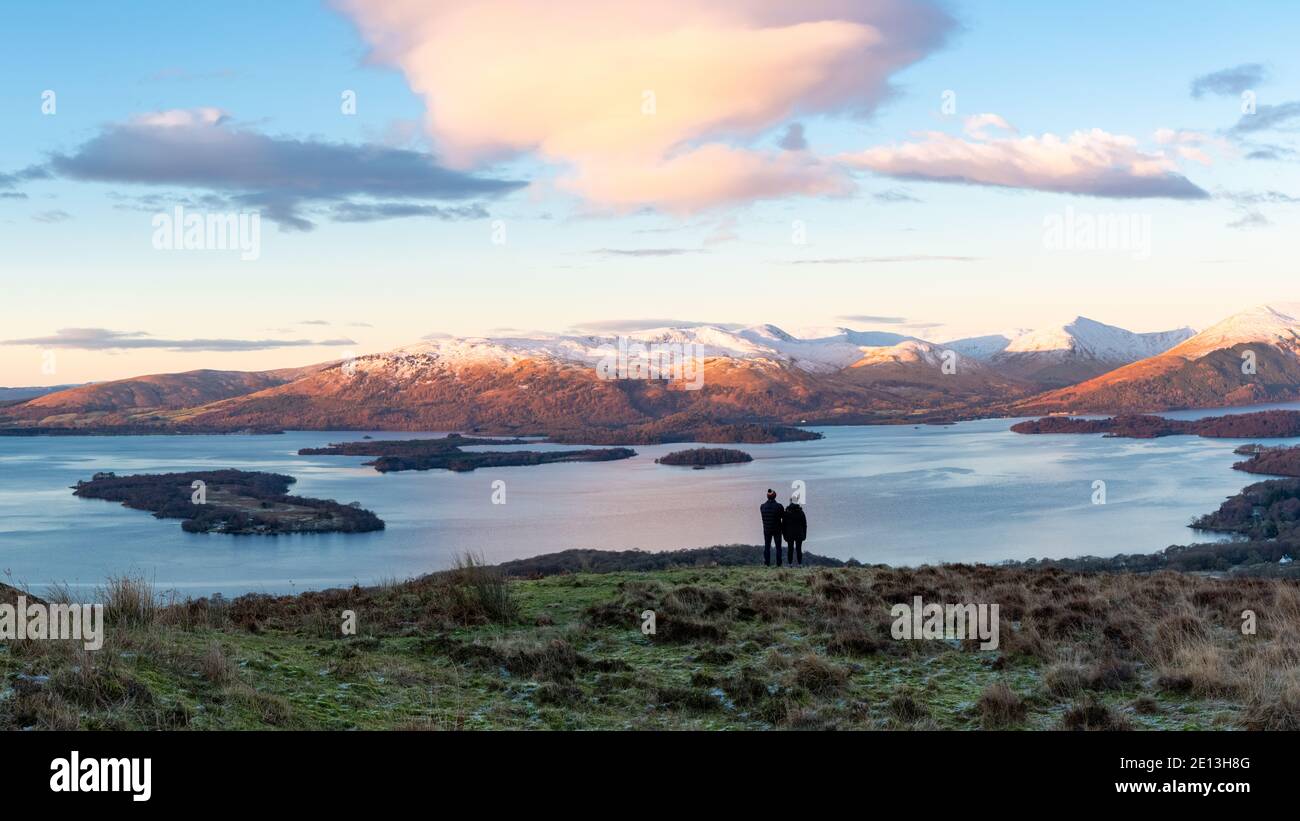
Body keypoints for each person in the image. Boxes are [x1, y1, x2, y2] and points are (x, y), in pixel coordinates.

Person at [760, 489, 784, 566]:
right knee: (778, 547)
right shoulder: (779, 506)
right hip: (777, 529)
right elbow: (783, 517)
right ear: (775, 496)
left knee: (767, 546)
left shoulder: (762, 506)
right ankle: (779, 564)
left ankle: (767, 563)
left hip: (767, 529)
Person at [783, 497, 807, 566]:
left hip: (789, 534)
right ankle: (799, 564)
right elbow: (804, 525)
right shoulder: (801, 512)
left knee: (790, 549)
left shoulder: (787, 512)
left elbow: (783, 526)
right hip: (799, 534)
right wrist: (804, 535)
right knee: (799, 549)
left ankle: (790, 564)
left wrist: (784, 536)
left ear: (790, 502)